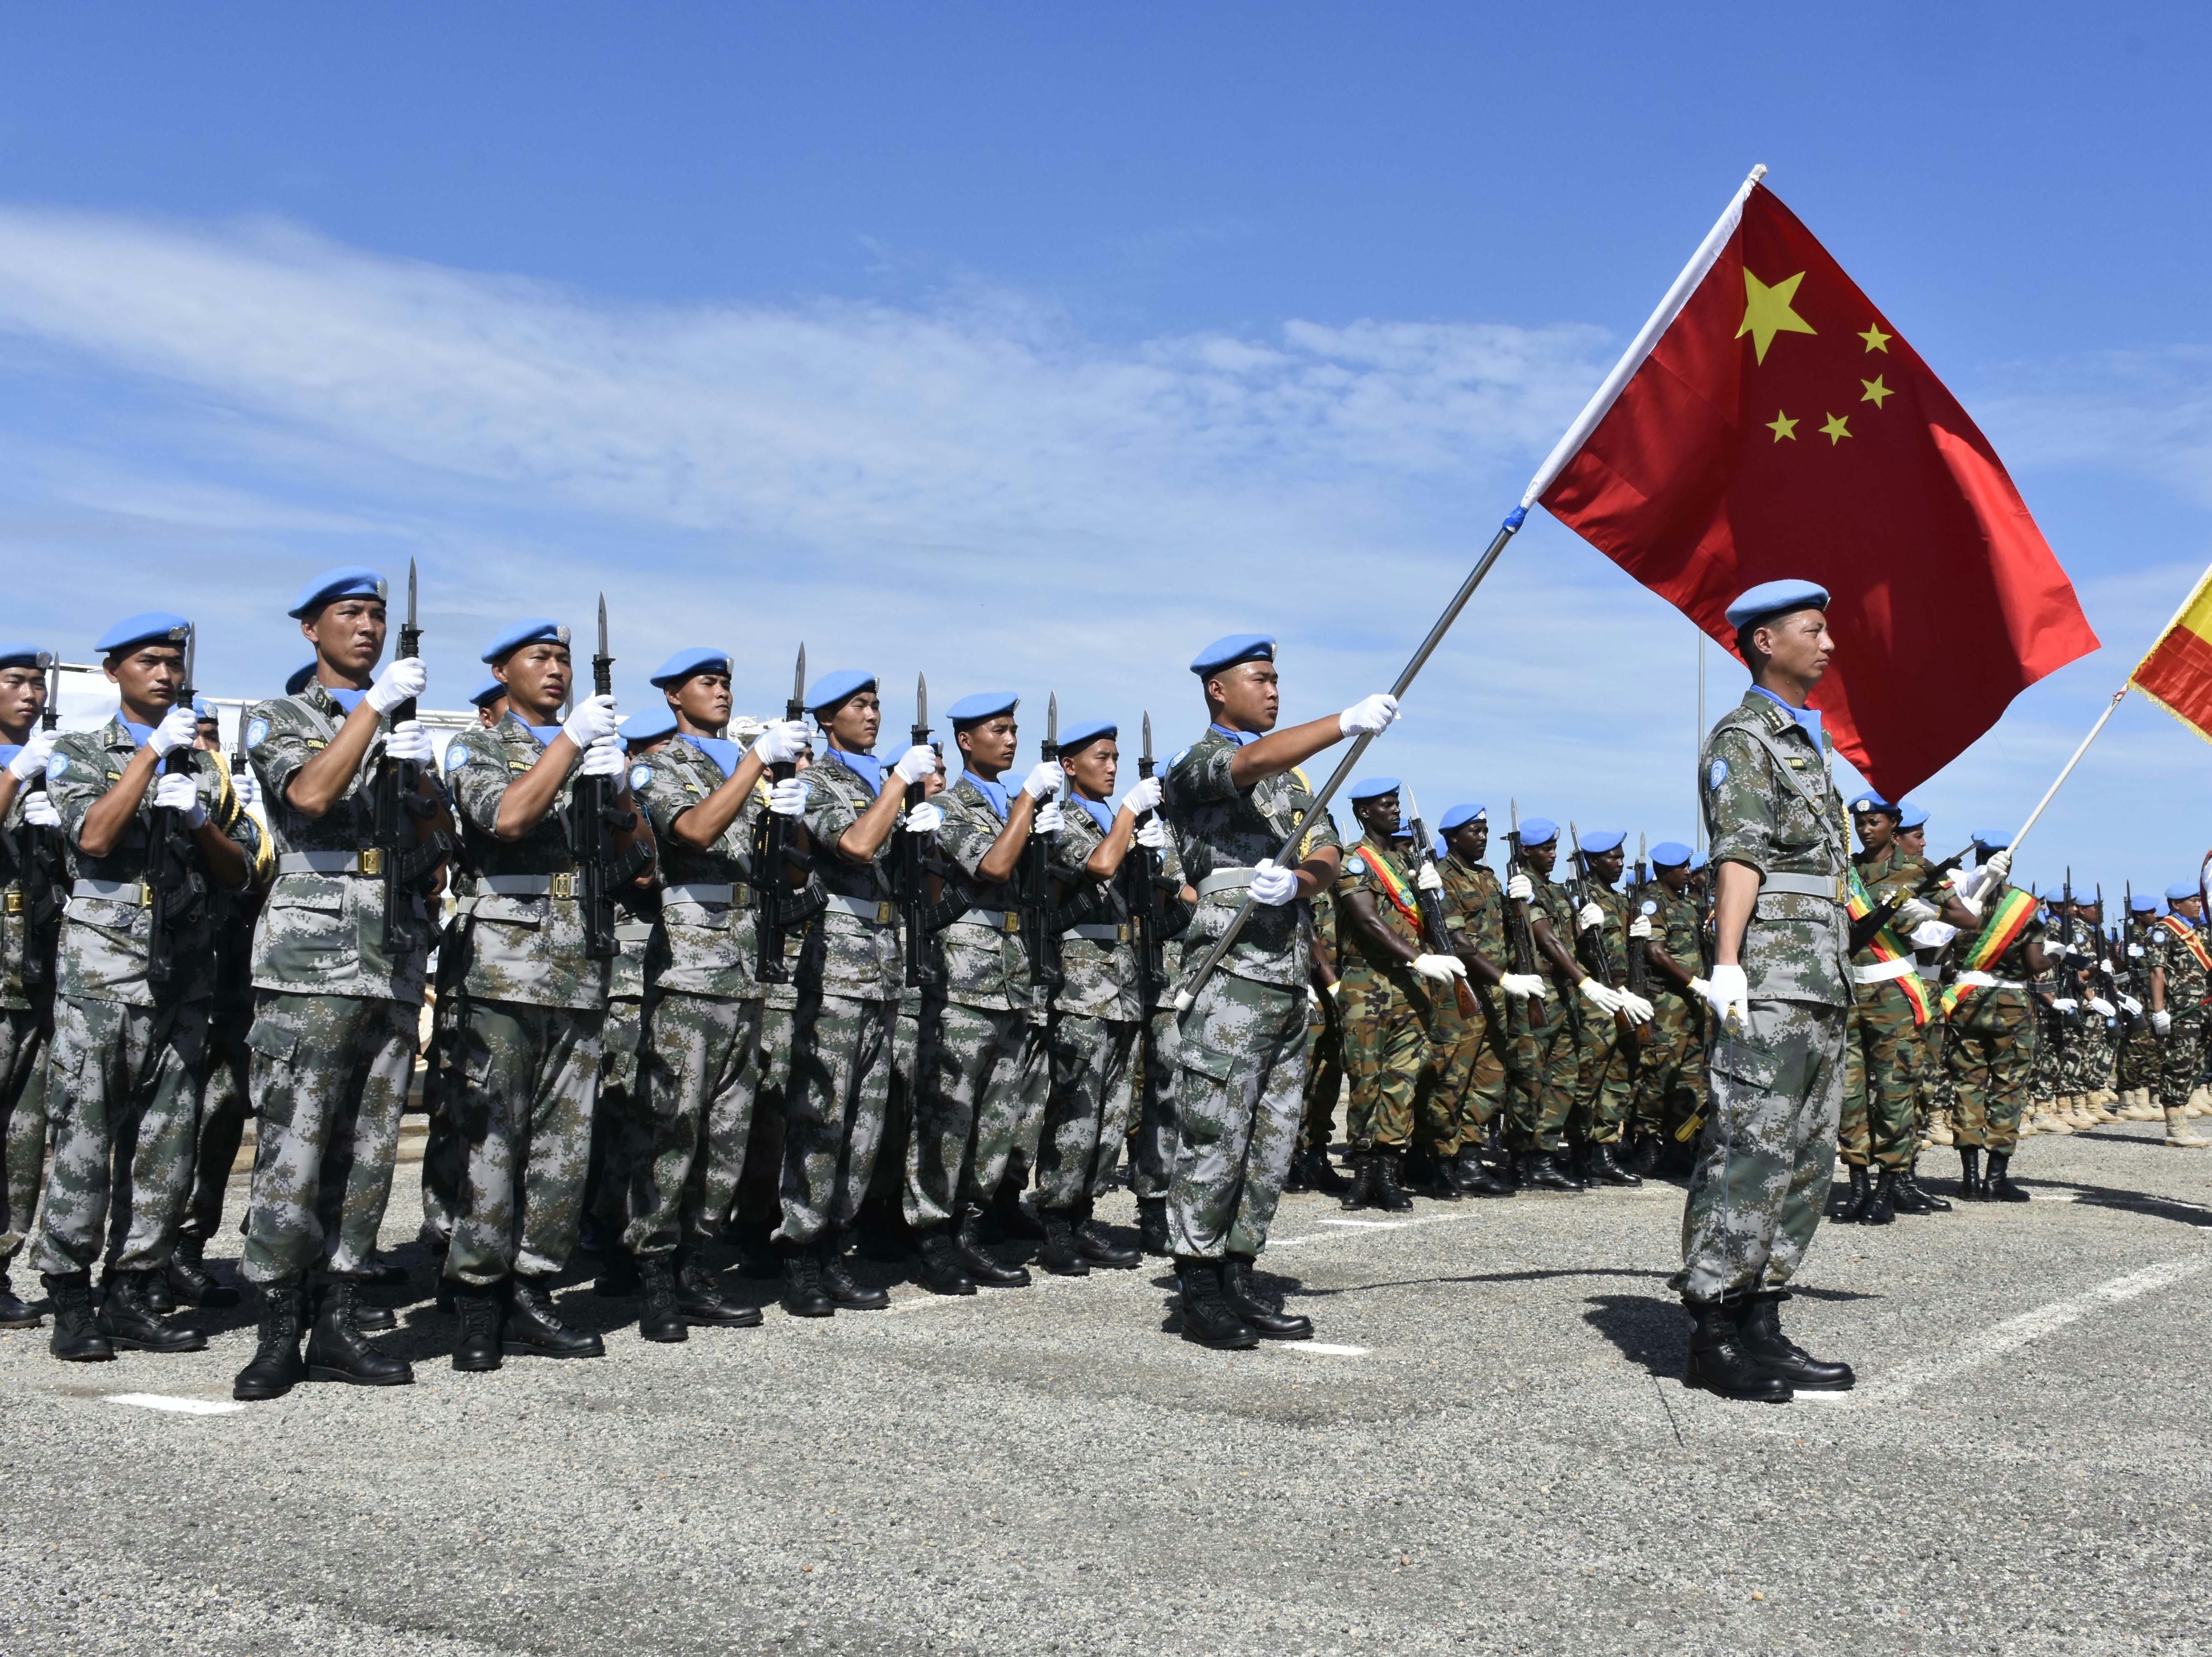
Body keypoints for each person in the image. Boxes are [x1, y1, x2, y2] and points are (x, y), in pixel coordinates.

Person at [229, 568, 443, 1399]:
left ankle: (341, 1322)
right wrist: (375, 711)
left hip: (389, 955)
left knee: (370, 1151)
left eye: (377, 617)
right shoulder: (279, 718)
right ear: (310, 631)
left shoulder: (399, 722)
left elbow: (435, 847)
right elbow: (310, 795)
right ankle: (279, 1328)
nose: (367, 627)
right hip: (311, 959)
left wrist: (421, 786)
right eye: (349, 615)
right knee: (295, 1145)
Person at [32, 612, 259, 1362]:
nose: (164, 674)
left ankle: (135, 1286)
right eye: (148, 662)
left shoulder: (207, 767)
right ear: (113, 674)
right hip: (106, 972)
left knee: (165, 1145)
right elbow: (93, 839)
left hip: (185, 978)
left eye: (172, 662)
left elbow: (240, 871)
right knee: (85, 1135)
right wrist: (148, 760)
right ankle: (70, 1291)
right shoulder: (76, 753)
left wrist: (196, 814)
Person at [1157, 634, 1394, 1348]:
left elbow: (1326, 847)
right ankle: (1197, 1284)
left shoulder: (1293, 785)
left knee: (1268, 1142)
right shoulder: (1196, 760)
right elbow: (1248, 761)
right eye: (1259, 679)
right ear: (1217, 691)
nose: (1273, 690)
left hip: (1286, 971)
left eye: (1277, 679)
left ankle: (1239, 1269)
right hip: (1228, 977)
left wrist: (1301, 879)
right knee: (1216, 1135)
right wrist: (1341, 722)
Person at [438, 618, 654, 1370]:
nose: (557, 670)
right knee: (492, 1138)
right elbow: (506, 817)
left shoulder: (589, 755)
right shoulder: (481, 746)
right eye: (541, 657)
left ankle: (534, 1288)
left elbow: (639, 866)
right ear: (502, 671)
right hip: (503, 966)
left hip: (579, 967)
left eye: (564, 659)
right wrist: (569, 748)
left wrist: (619, 787)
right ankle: (475, 1297)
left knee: (563, 1150)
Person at [1681, 579, 1859, 1403]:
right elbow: (1740, 856)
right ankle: (1714, 1326)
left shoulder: (1807, 746)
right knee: (1748, 1147)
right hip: (1772, 981)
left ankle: (1764, 1316)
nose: (1827, 646)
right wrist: (1726, 963)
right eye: (1812, 631)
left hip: (1820, 979)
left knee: (1807, 1154)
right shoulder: (1745, 739)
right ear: (1763, 641)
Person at [603, 654, 806, 1337]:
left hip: (745, 970)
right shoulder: (661, 764)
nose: (720, 689)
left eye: (725, 681)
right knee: (672, 1122)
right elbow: (690, 832)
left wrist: (791, 814)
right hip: (689, 969)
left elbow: (784, 873)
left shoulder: (747, 773)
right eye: (705, 682)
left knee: (727, 1131)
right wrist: (754, 764)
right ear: (672, 696)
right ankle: (655, 1268)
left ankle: (697, 1259)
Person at [779, 669, 935, 1315]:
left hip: (882, 968)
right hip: (834, 966)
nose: (871, 714)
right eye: (857, 705)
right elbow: (853, 844)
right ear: (826, 718)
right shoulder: (817, 782)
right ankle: (799, 1253)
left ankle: (836, 1244)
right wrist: (900, 783)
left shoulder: (878, 783)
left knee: (865, 1123)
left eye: (875, 704)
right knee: (822, 1114)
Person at [904, 691, 1057, 1294]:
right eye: (999, 729)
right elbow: (991, 868)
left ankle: (968, 1228)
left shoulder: (1014, 804)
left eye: (1014, 729)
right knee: (948, 1113)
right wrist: (1026, 802)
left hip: (1012, 979)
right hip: (965, 979)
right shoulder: (946, 805)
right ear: (966, 740)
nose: (1011, 739)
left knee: (997, 1119)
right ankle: (932, 1236)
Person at [1030, 717, 1161, 1275]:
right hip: (1082, 983)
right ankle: (1056, 1222)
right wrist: (1131, 814)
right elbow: (1099, 865)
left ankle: (1082, 1215)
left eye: (1114, 757)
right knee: (1076, 1108)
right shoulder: (1062, 819)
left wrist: (1154, 854)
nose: (1110, 766)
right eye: (1100, 757)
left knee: (1111, 1114)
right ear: (1069, 765)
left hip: (1125, 982)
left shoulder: (1117, 819)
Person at [1330, 778, 1466, 1209]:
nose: (1394, 810)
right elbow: (1369, 921)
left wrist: (1435, 891)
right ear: (1364, 812)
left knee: (1402, 1081)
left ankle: (1388, 1170)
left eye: (1395, 803)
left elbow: (1439, 923)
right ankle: (1365, 1171)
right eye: (1384, 805)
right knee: (1366, 1078)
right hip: (1366, 983)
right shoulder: (1354, 861)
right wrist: (1418, 959)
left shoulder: (1409, 860)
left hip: (1411, 988)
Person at [1433, 804, 1542, 1196]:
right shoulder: (1443, 878)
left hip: (1495, 995)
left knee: (1488, 1080)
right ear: (1452, 838)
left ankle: (1470, 1158)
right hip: (1460, 995)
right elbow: (1460, 944)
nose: (1481, 837)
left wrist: (1520, 903)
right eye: (1474, 831)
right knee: (1452, 1079)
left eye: (1484, 830)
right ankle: (1441, 1162)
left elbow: (1505, 934)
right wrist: (1504, 978)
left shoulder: (1488, 877)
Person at [0, 643, 60, 1328]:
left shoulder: (43, 771)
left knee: (23, 1139)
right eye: (15, 681)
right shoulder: (22, 770)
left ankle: (1, 1264)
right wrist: (16, 775)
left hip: (35, 980)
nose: (31, 694)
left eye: (36, 684)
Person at [1940, 835, 2047, 1196]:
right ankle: (1995, 1178)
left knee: (1967, 1086)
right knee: (2007, 1087)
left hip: (1965, 999)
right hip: (2010, 1003)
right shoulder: (2024, 905)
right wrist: (2058, 956)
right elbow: (2035, 963)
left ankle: (1969, 1178)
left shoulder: (1959, 901)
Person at [1567, 830, 1652, 1187]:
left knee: (1619, 1076)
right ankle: (1577, 1151)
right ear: (1593, 862)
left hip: (1624, 995)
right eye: (1612, 858)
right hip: (1595, 1000)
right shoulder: (1578, 898)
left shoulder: (1618, 900)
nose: (1619, 863)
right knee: (1589, 1077)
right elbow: (1566, 950)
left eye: (1621, 857)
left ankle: (1603, 1150)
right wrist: (1578, 926)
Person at [1627, 842, 1709, 1175]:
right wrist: (1695, 983)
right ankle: (1646, 1143)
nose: (1689, 872)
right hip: (1668, 1003)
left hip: (1691, 1004)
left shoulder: (1688, 903)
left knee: (1690, 1079)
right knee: (1659, 1073)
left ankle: (1679, 1143)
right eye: (1683, 867)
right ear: (1665, 871)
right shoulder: (1653, 902)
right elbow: (1656, 953)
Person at [2146, 880, 2211, 1149]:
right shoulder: (2164, 932)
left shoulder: (2201, 933)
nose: (2199, 904)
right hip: (2182, 1009)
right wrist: (2159, 1010)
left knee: (2197, 1062)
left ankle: (2182, 1122)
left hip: (2204, 1007)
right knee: (2180, 1062)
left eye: (2199, 900)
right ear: (2176, 904)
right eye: (2193, 900)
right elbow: (2156, 972)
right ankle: (2175, 1127)